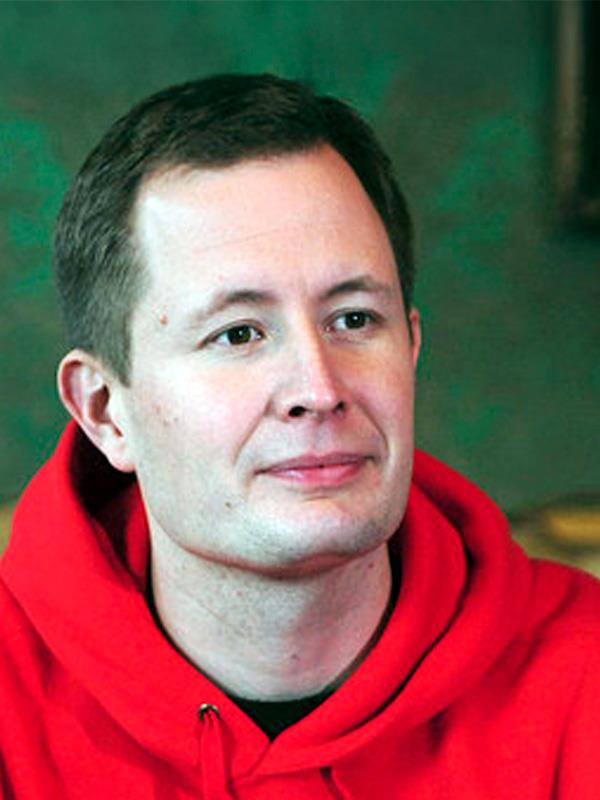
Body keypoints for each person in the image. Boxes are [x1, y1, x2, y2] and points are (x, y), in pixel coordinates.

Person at [0, 74, 599, 800]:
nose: (319, 389)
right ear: (104, 411)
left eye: (353, 319)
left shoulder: (584, 674)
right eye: (238, 334)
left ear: (411, 349)